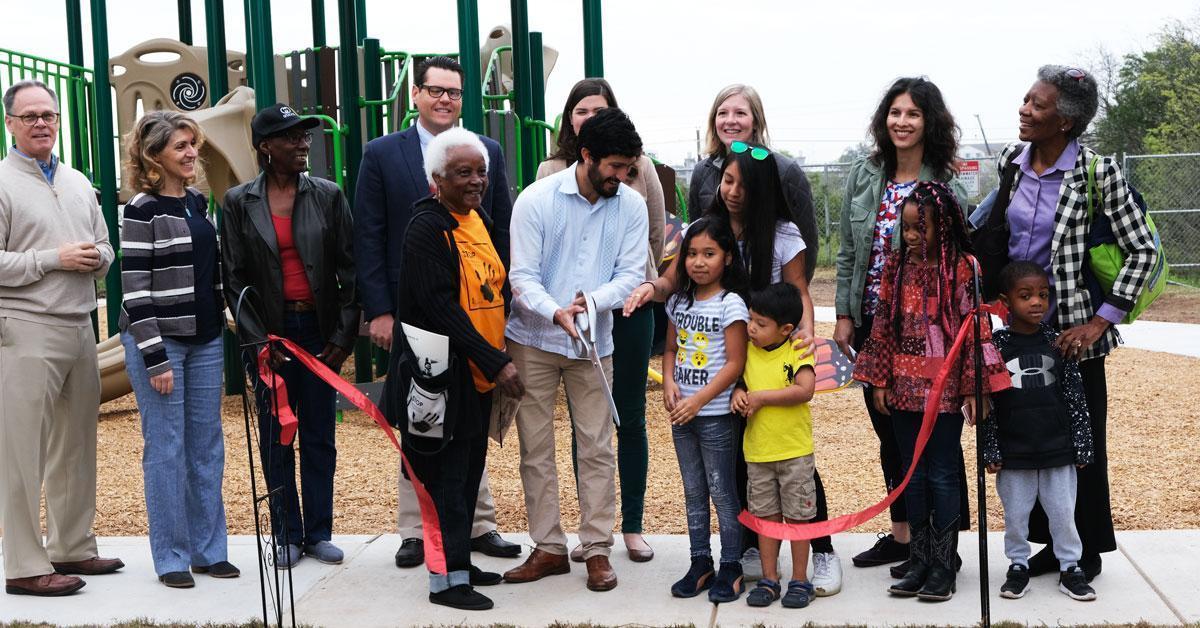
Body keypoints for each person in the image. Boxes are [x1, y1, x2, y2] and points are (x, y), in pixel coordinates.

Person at [625, 144, 843, 596]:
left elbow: (799, 288)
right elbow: (674, 279)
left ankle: (818, 548)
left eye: (743, 184)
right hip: (726, 355)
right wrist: (653, 287)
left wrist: (802, 334)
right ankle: (744, 550)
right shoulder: (707, 232)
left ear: (763, 189)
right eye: (727, 180)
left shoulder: (782, 233)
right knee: (746, 456)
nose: (733, 191)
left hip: (766, 350)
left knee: (790, 455)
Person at [984, 65, 1158, 583]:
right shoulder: (1010, 163)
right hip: (1018, 339)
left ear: (1065, 120)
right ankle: (1049, 547)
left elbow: (1143, 253)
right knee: (1027, 439)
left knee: (1079, 446)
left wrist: (1100, 322)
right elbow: (995, 232)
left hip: (1073, 341)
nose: (1025, 110)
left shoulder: (1097, 174)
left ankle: (1086, 551)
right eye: (1025, 100)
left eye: (1037, 105)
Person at [354, 55, 519, 567]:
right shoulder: (382, 154)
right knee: (423, 423)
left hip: (477, 315)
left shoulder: (484, 150)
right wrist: (380, 310)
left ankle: (476, 526)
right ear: (416, 96)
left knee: (469, 424)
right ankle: (417, 529)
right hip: (417, 318)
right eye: (436, 90)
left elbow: (502, 231)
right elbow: (370, 234)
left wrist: (500, 308)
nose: (445, 98)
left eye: (454, 91)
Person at [501, 107, 649, 593]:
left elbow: (631, 274)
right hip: (533, 339)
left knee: (597, 445)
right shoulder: (536, 198)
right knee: (535, 448)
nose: (623, 177)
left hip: (594, 341)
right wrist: (556, 312)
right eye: (616, 167)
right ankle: (547, 548)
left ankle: (598, 551)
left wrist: (592, 302)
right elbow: (520, 275)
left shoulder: (630, 204)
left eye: (629, 168)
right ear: (586, 155)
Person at [833, 77, 973, 576]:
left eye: (913, 113)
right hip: (877, 323)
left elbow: (957, 251)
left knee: (936, 438)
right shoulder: (866, 174)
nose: (902, 121)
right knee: (891, 431)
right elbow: (850, 251)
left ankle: (944, 544)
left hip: (929, 326)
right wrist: (846, 315)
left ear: (929, 121)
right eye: (895, 111)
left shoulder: (946, 181)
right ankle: (905, 538)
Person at [387, 128, 526, 611]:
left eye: (481, 171)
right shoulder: (426, 228)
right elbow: (440, 308)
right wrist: (496, 360)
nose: (476, 181)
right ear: (437, 179)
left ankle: (461, 563)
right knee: (445, 478)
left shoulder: (477, 219)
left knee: (468, 475)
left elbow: (494, 285)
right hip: (442, 376)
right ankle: (445, 582)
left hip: (477, 374)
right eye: (463, 172)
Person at [853, 181, 1010, 601]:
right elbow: (883, 324)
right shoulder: (896, 268)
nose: (912, 237)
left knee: (942, 472)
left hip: (944, 395)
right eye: (906, 229)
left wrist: (977, 388)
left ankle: (944, 565)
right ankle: (920, 559)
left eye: (920, 229)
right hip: (903, 388)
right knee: (912, 473)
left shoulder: (963, 268)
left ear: (943, 226)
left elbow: (977, 328)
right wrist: (880, 380)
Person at [221, 103, 359, 568]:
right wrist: (261, 343)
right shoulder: (239, 202)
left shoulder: (329, 195)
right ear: (265, 147)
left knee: (319, 435)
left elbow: (349, 269)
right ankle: (286, 534)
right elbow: (234, 279)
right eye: (291, 137)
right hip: (271, 337)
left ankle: (319, 533)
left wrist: (343, 336)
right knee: (277, 435)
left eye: (305, 136)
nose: (303, 144)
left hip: (318, 333)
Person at [0, 80, 122, 597]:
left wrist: (99, 258)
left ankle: (73, 546)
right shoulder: (3, 182)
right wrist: (54, 259)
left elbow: (105, 246)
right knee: (21, 452)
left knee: (76, 445)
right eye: (29, 116)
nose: (41, 123)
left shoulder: (76, 180)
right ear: (9, 124)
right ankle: (26, 566)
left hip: (80, 326)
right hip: (24, 329)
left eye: (48, 114)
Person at [536, 78, 665, 562]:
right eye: (581, 110)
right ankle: (593, 527)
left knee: (628, 414)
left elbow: (654, 231)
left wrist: (625, 285)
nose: (589, 116)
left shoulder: (639, 168)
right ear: (570, 121)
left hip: (628, 307)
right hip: (572, 311)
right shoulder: (550, 171)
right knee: (585, 422)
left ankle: (631, 523)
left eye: (600, 109)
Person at [119, 111, 237, 588]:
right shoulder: (140, 209)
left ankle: (210, 551)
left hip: (206, 338)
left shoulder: (197, 201)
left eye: (194, 144)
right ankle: (170, 557)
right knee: (166, 449)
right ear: (154, 156)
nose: (192, 154)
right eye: (181, 147)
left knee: (207, 447)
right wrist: (154, 356)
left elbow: (210, 269)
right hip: (161, 341)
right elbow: (135, 289)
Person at [980, 261, 1096, 602]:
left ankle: (1071, 568)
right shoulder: (996, 348)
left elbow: (1075, 397)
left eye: (1043, 295)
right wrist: (991, 448)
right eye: (1026, 296)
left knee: (1062, 512)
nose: (1036, 303)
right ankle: (1018, 566)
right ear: (1006, 301)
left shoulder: (1058, 343)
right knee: (1016, 515)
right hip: (1014, 451)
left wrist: (1082, 445)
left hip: (1057, 449)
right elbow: (988, 406)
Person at [661, 217, 749, 604]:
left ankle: (731, 564)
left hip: (714, 417)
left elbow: (734, 363)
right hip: (683, 417)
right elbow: (668, 350)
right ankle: (701, 562)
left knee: (722, 491)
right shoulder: (678, 301)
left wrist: (699, 400)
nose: (698, 262)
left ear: (727, 258)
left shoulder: (731, 304)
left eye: (709, 254)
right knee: (693, 491)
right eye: (692, 254)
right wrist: (668, 381)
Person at [733, 282, 818, 610]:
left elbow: (805, 389)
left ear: (785, 329)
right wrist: (740, 393)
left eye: (760, 324)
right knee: (765, 519)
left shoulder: (798, 349)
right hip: (758, 451)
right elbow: (739, 383)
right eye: (751, 320)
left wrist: (761, 398)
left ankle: (800, 579)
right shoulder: (748, 350)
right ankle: (770, 579)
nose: (751, 328)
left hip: (794, 451)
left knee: (798, 518)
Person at [687, 84, 817, 280]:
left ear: (756, 121)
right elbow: (696, 238)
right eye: (722, 113)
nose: (730, 121)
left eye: (740, 113)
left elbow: (807, 243)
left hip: (770, 299)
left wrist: (790, 301)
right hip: (718, 296)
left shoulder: (786, 171)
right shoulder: (701, 172)